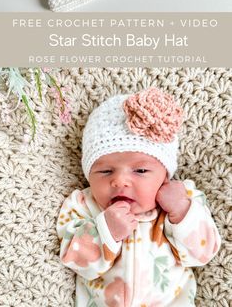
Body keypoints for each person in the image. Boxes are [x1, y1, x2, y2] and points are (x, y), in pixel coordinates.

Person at [57, 87, 221, 307]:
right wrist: (106, 231)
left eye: (141, 171)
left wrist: (182, 210)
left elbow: (202, 254)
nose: (120, 181)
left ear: (164, 175)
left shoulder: (183, 199)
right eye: (105, 171)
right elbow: (77, 261)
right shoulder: (83, 205)